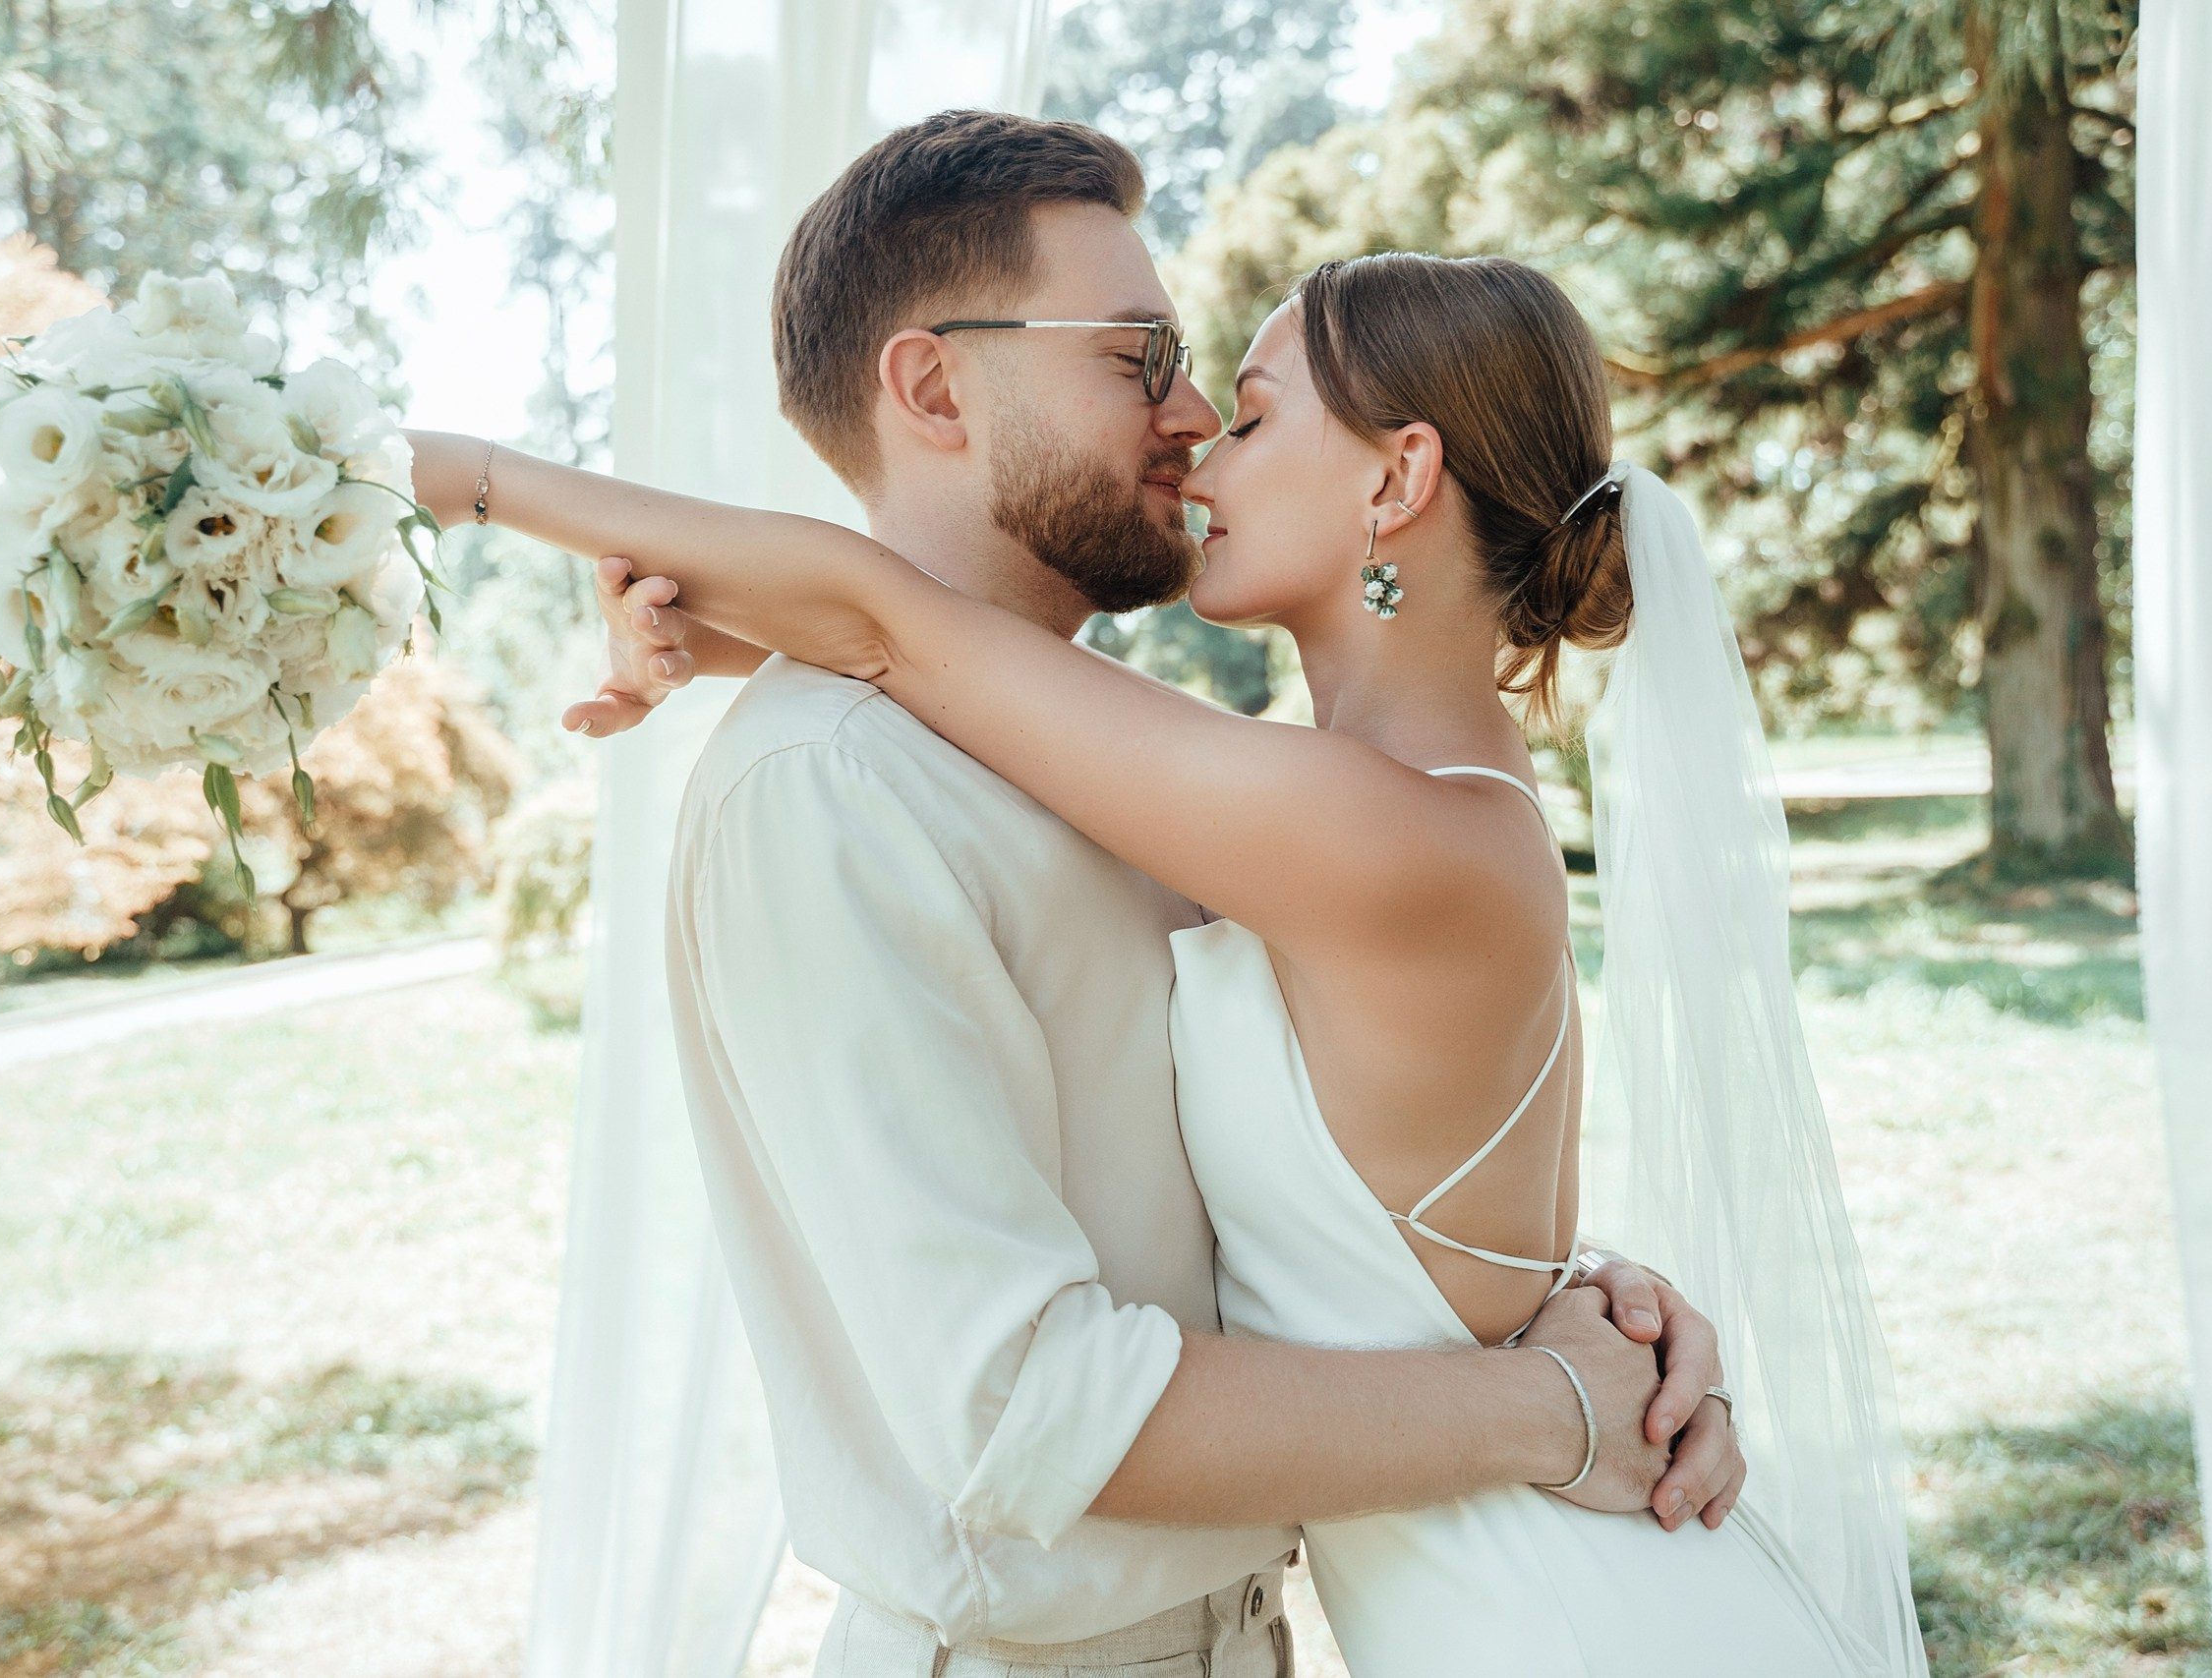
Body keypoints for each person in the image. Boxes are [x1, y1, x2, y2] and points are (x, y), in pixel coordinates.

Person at [412, 112, 1825, 1677]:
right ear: (935, 384)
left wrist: (1564, 1308)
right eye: (1140, 356)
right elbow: (1023, 1409)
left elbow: (892, 625)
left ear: (1399, 478)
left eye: (1229, 386)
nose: (1199, 415)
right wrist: (1556, 1387)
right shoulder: (836, 788)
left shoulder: (1213, 789)